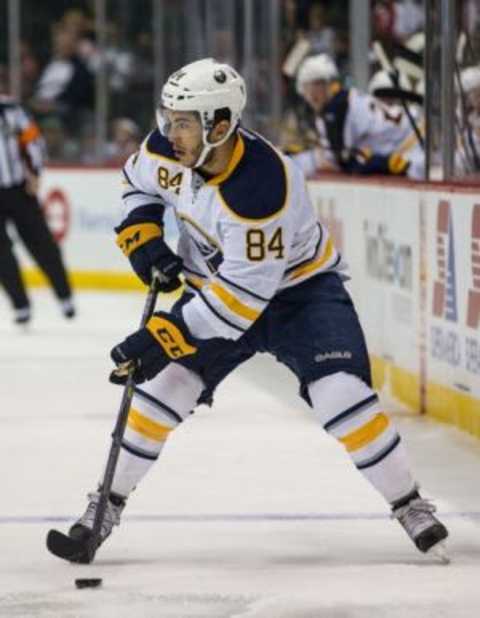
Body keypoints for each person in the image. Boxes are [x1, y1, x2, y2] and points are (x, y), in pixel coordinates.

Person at [67, 58, 447, 562]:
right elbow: (137, 184)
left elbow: (239, 304)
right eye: (168, 116)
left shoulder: (262, 187)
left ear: (219, 125)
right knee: (159, 398)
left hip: (300, 296)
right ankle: (105, 507)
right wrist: (145, 239)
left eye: (183, 121)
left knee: (343, 398)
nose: (168, 132)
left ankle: (409, 504)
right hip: (214, 291)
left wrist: (160, 338)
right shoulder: (166, 149)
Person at [0, 96, 75, 323]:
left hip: (19, 189)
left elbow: (32, 139)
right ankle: (20, 304)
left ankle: (65, 296)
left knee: (42, 243)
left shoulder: (10, 108)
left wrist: (35, 171)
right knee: (1, 253)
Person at [292, 53, 425, 179]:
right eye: (307, 88)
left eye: (316, 85)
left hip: (417, 145)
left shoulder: (335, 108)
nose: (310, 94)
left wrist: (300, 157)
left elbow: (338, 161)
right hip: (416, 134)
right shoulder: (342, 101)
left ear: (326, 83)